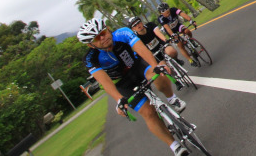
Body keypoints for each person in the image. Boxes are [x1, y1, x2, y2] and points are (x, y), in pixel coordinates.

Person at [77, 18, 190, 156]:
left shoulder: (122, 33)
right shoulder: (90, 58)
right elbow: (103, 80)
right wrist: (119, 99)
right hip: (123, 84)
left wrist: (156, 66)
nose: (103, 37)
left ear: (107, 28)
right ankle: (174, 145)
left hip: (138, 67)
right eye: (97, 38)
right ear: (90, 45)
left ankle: (172, 98)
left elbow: (141, 49)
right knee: (148, 112)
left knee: (158, 72)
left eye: (104, 32)